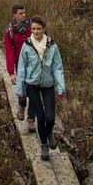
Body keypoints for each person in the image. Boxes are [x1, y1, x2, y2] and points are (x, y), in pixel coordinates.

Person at [15, 16, 66, 161]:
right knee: (41, 117)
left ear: (44, 29)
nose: (36, 32)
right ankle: (44, 145)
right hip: (32, 86)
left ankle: (49, 132)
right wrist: (20, 90)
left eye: (38, 29)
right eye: (33, 29)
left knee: (50, 118)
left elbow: (57, 67)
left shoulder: (52, 46)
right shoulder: (27, 45)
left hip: (48, 85)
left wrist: (61, 88)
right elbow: (22, 68)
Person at [4, 4, 35, 133]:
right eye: (21, 13)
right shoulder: (10, 30)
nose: (23, 15)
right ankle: (22, 105)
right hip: (20, 64)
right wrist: (11, 72)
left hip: (34, 63)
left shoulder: (32, 27)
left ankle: (31, 119)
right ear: (14, 15)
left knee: (33, 91)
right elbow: (9, 51)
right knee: (22, 90)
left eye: (24, 13)